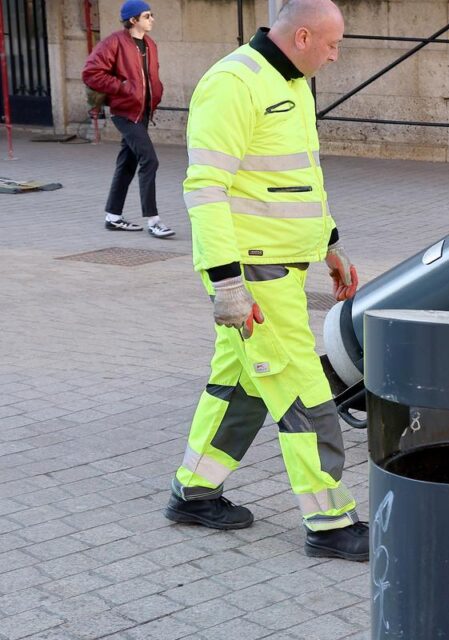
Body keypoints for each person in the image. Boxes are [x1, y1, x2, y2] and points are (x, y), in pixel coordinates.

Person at [164, 0, 369, 561]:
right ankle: (330, 521)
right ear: (302, 36)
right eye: (332, 44)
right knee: (303, 389)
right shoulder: (233, 83)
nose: (335, 55)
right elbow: (205, 188)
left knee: (240, 384)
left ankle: (194, 491)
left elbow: (302, 180)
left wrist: (330, 246)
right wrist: (227, 284)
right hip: (253, 273)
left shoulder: (293, 83)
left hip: (277, 265)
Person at [82, 0, 173, 238]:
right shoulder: (114, 42)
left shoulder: (150, 44)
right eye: (147, 16)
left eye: (151, 15)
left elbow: (150, 77)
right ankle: (154, 221)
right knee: (149, 160)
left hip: (143, 112)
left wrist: (156, 93)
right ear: (133, 20)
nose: (152, 19)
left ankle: (113, 217)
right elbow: (91, 72)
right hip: (125, 112)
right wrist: (122, 87)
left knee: (127, 164)